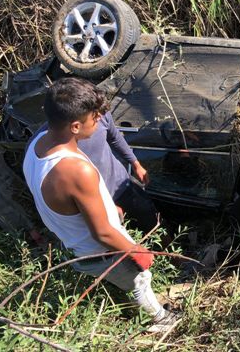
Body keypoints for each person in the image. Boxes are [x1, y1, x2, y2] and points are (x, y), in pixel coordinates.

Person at [22, 77, 177, 332]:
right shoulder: (76, 170)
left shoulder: (37, 146)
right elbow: (102, 233)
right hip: (98, 250)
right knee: (140, 278)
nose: (99, 119)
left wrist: (104, 208)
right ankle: (161, 320)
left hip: (74, 241)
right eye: (94, 117)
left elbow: (63, 200)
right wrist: (138, 251)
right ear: (74, 126)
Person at [36, 111, 159, 235]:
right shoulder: (47, 138)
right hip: (95, 201)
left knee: (152, 222)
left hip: (121, 184)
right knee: (120, 236)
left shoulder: (100, 113)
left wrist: (135, 164)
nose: (99, 117)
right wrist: (106, 207)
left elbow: (115, 138)